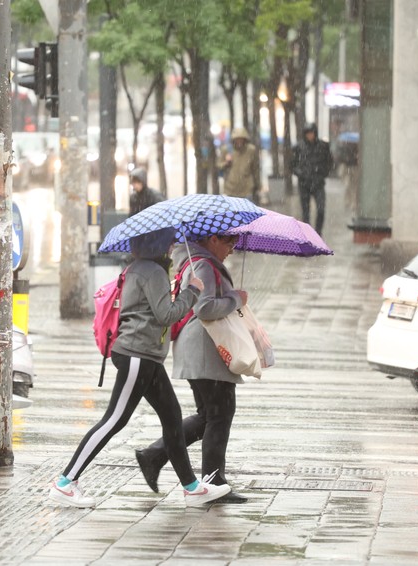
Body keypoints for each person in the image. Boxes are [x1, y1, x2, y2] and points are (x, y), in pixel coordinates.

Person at [48, 227, 231, 508]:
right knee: (114, 420)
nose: (172, 247)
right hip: (137, 356)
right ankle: (65, 482)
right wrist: (192, 291)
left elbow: (155, 310)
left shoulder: (141, 268)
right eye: (169, 242)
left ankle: (192, 488)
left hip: (146, 356)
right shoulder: (151, 271)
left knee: (172, 418)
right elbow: (166, 315)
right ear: (157, 244)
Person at [135, 233, 249, 504]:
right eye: (229, 243)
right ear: (212, 239)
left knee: (209, 415)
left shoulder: (198, 261)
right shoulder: (203, 265)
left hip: (200, 348)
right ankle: (213, 481)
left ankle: (155, 455)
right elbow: (206, 308)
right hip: (204, 349)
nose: (232, 250)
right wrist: (236, 299)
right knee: (219, 414)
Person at [292, 123, 334, 235]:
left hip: (318, 183)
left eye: (312, 133)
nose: (310, 136)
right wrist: (301, 174)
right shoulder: (298, 147)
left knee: (321, 209)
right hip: (304, 183)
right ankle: (307, 234)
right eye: (308, 133)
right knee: (306, 212)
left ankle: (318, 232)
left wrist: (322, 173)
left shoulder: (323, 146)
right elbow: (292, 165)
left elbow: (330, 162)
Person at [218, 127, 261, 202]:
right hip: (230, 188)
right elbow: (219, 165)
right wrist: (226, 163)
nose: (239, 141)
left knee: (248, 212)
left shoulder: (251, 150)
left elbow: (255, 168)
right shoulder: (227, 149)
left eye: (241, 139)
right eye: (237, 139)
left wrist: (258, 185)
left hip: (247, 188)